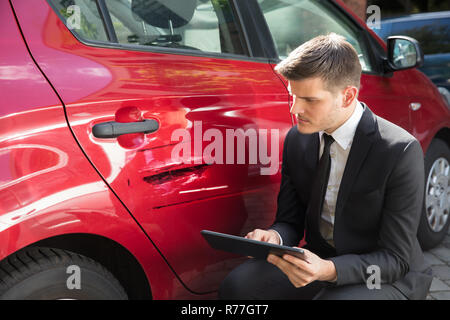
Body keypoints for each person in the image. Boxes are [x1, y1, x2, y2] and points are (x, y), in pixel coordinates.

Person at [219, 33, 433, 300]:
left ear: (347, 96)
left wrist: (328, 269)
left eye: (309, 100)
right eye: (293, 96)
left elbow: (394, 259)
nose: (295, 109)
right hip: (317, 260)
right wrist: (274, 237)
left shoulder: (398, 150)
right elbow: (289, 221)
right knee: (238, 286)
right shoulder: (298, 139)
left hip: (384, 274)